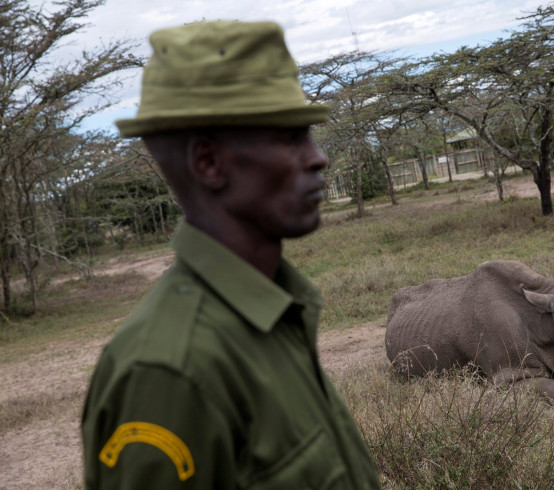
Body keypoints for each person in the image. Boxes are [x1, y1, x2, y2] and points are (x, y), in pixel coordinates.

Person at [82, 20, 381, 489]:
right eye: (289, 137)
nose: (318, 157)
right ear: (209, 163)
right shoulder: (168, 373)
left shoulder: (274, 315)